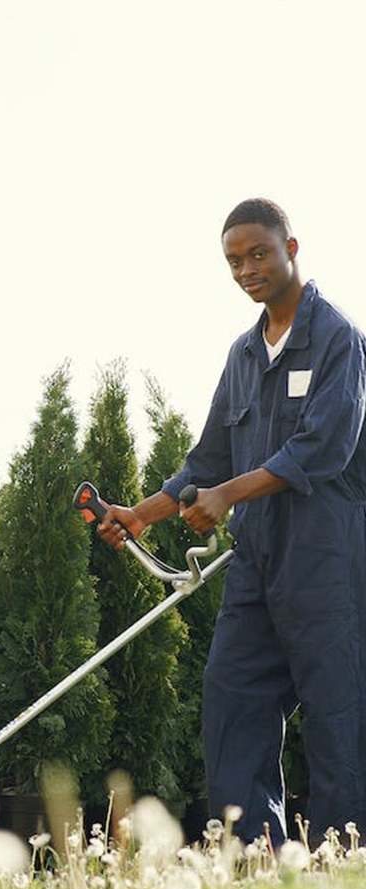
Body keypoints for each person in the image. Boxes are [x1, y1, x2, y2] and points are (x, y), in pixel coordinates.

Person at [98, 197, 366, 845]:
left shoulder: (339, 341)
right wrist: (141, 515)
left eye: (258, 254)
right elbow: (208, 460)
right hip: (255, 570)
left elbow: (321, 450)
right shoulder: (244, 355)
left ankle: (343, 865)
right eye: (233, 261)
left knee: (338, 723)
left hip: (326, 566)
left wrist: (228, 496)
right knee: (232, 704)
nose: (246, 269)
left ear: (291, 249)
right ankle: (253, 861)